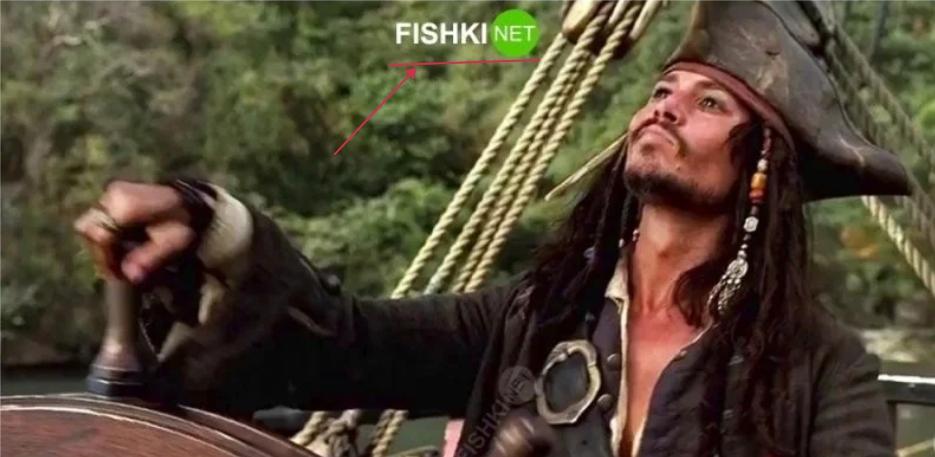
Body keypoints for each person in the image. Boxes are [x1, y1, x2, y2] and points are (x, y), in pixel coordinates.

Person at [74, 2, 909, 457]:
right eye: (662, 89)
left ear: (762, 163)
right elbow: (343, 344)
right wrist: (215, 229)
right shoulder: (534, 318)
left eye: (709, 101)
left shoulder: (821, 368)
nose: (664, 106)